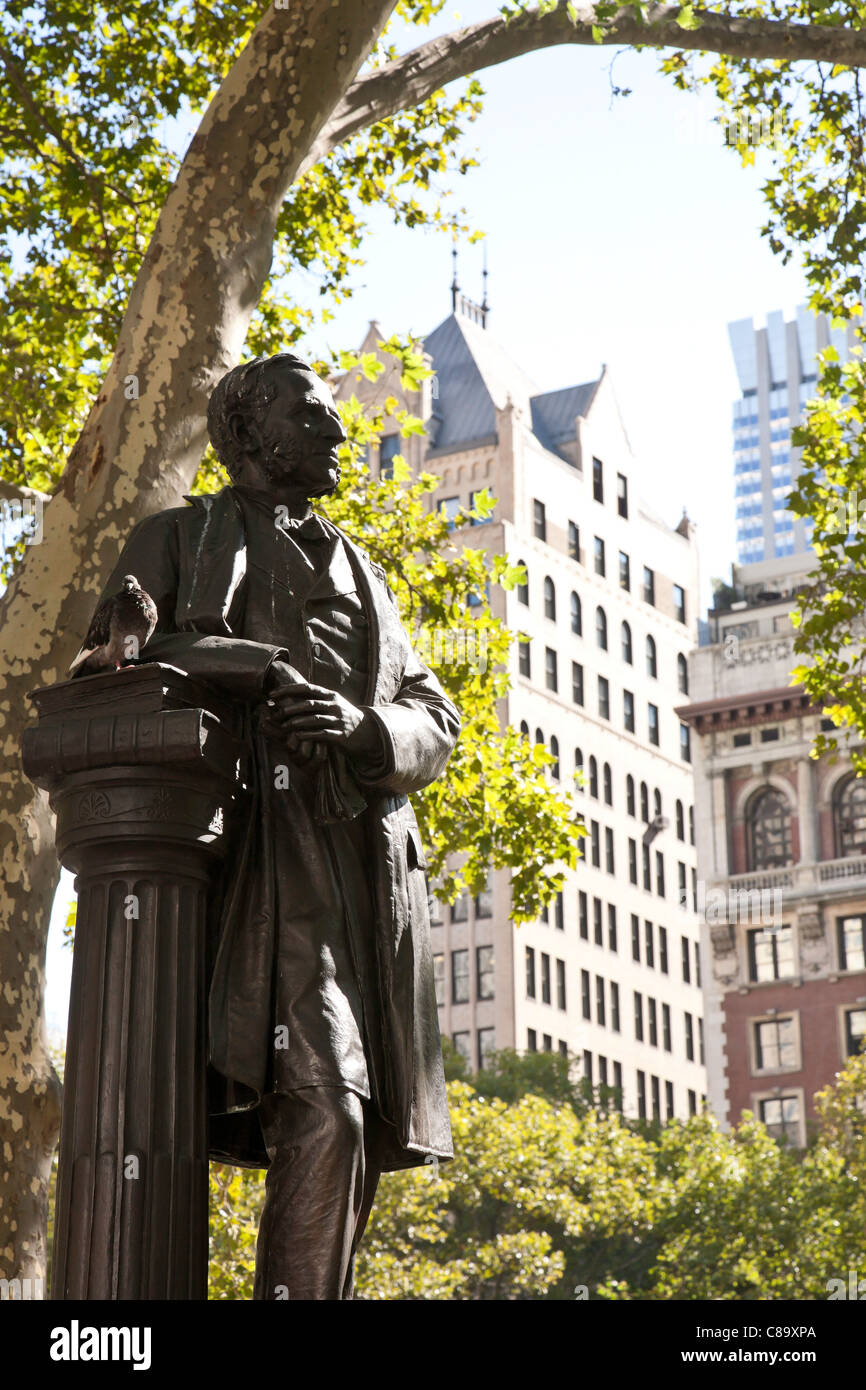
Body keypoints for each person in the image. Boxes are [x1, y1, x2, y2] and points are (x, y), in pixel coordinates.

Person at [88, 352, 460, 1298]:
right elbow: (115, 659)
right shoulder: (177, 538)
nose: (340, 432)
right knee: (328, 1107)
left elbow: (433, 711)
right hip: (246, 855)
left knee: (355, 1125)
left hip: (361, 873)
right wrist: (257, 667)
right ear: (251, 431)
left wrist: (366, 725)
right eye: (316, 414)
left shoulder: (365, 572)